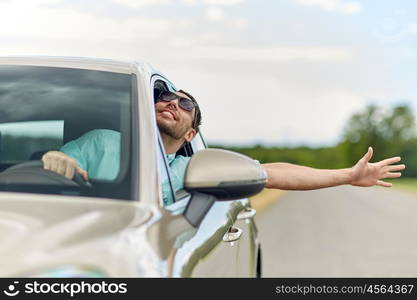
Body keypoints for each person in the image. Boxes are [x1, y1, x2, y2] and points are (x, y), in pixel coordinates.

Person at [42, 89, 405, 202]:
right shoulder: (103, 141)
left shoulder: (191, 169)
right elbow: (59, 160)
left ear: (189, 136)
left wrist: (346, 174)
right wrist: (55, 160)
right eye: (166, 96)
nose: (172, 102)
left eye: (185, 105)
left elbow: (275, 173)